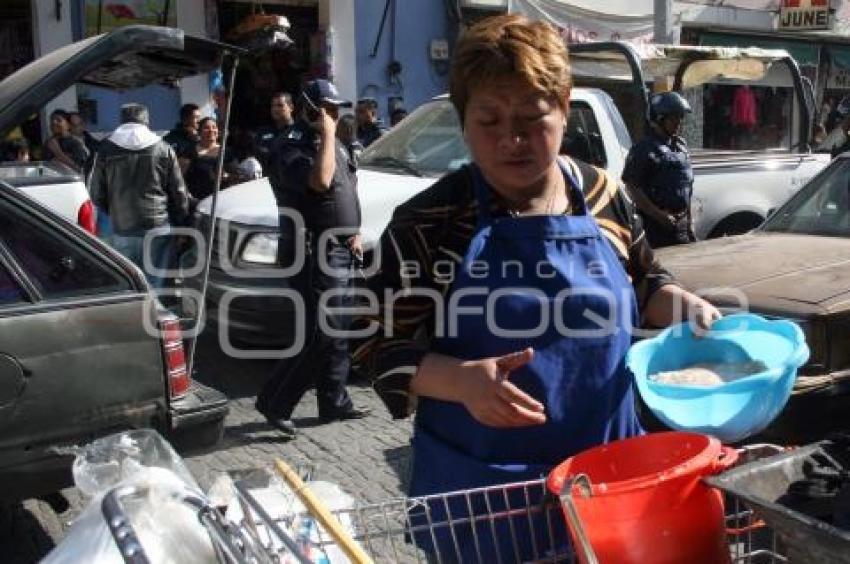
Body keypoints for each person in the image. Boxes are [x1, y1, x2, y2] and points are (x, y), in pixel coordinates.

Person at [351, 15, 721, 560]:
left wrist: (682, 305)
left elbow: (644, 282)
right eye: (489, 121)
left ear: (564, 106)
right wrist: (458, 381)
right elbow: (365, 341)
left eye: (531, 117)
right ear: (463, 120)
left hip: (610, 475)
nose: (511, 139)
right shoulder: (430, 220)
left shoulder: (603, 195)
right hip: (487, 492)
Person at [256, 79, 370, 438]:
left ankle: (333, 400)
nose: (333, 115)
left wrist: (352, 229)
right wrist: (326, 134)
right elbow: (320, 182)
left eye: (337, 109)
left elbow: (346, 185)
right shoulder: (291, 146)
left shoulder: (335, 142)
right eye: (327, 109)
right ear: (310, 109)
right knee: (321, 332)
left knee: (339, 328)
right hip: (311, 248)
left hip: (340, 246)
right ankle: (275, 402)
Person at [90, 104, 191, 289]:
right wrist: (182, 221)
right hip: (157, 226)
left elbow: (96, 193)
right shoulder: (163, 148)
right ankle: (156, 316)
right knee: (157, 285)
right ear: (146, 120)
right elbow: (179, 192)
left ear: (122, 120)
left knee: (130, 284)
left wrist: (113, 211)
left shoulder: (105, 149)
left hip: (121, 227)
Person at [622, 91, 696, 248]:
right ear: (659, 118)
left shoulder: (680, 146)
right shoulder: (644, 149)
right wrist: (660, 216)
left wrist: (689, 223)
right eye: (674, 117)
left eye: (681, 117)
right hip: (654, 230)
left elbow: (686, 186)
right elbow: (632, 187)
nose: (679, 122)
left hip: (681, 228)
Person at [184, 117, 225, 200]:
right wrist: (189, 198)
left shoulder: (226, 151)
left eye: (214, 127)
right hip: (198, 201)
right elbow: (179, 178)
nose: (211, 130)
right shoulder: (189, 152)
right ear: (199, 132)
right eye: (206, 128)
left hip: (222, 200)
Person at [255, 92, 295, 168]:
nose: (275, 109)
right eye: (273, 106)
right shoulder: (262, 132)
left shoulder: (300, 132)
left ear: (291, 108)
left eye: (280, 105)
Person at [164, 103, 201, 173]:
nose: (199, 121)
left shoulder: (201, 136)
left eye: (199, 117)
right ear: (185, 119)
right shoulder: (171, 138)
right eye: (196, 117)